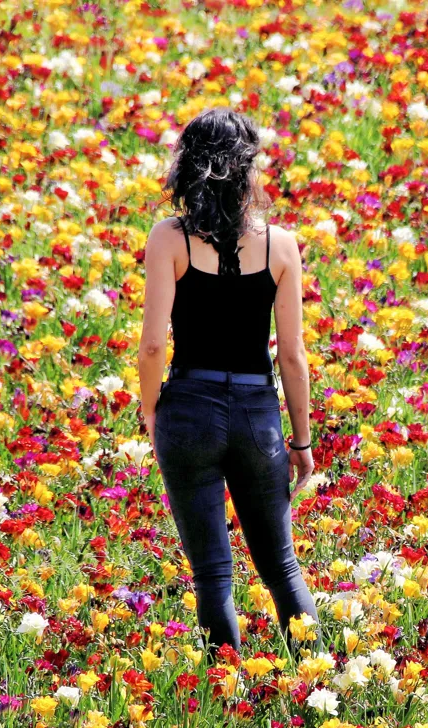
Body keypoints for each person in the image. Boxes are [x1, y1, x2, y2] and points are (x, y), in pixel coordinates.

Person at [137, 107, 318, 659]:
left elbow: (151, 346)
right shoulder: (281, 245)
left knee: (213, 573)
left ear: (186, 167)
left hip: (188, 406)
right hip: (258, 412)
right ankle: (321, 679)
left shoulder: (170, 239)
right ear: (248, 169)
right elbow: (291, 356)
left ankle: (223, 692)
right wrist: (302, 442)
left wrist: (152, 411)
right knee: (282, 566)